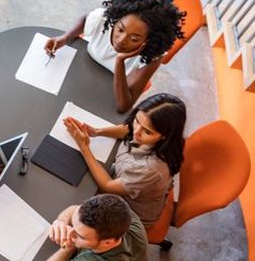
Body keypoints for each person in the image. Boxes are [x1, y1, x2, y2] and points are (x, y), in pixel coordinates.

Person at [44, 0, 186, 113]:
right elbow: (85, 19)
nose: (121, 40)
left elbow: (123, 106)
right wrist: (65, 37)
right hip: (80, 73)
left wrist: (120, 62)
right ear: (116, 20)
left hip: (105, 93)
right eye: (120, 29)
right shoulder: (103, 19)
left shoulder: (152, 56)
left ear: (149, 40)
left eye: (134, 39)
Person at [62, 93, 186, 227]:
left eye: (147, 131)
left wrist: (84, 146)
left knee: (69, 207)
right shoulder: (146, 133)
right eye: (137, 120)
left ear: (165, 136)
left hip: (128, 213)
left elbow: (108, 186)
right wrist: (97, 132)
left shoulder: (150, 169)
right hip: (123, 179)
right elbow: (128, 130)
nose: (136, 132)